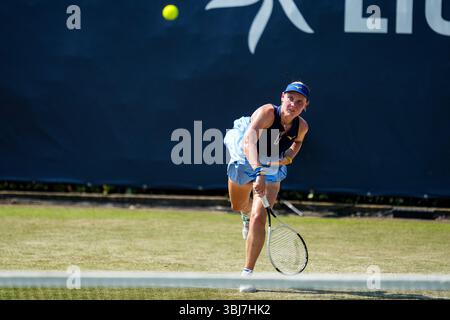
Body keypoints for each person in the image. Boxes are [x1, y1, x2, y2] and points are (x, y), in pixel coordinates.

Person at [224, 81, 310, 292]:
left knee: (259, 216)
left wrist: (289, 156)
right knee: (238, 205)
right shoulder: (267, 113)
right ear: (282, 97)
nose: (293, 104)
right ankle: (244, 214)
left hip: (272, 160)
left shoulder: (302, 127)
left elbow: (297, 142)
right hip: (246, 153)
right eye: (290, 98)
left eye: (299, 101)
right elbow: (248, 143)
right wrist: (258, 172)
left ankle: (247, 273)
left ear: (305, 105)